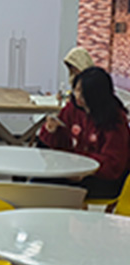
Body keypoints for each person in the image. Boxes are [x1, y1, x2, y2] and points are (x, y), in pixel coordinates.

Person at [38, 66, 130, 199]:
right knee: (39, 183)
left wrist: (82, 166)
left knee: (54, 191)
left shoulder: (114, 119)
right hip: (74, 171)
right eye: (76, 89)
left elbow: (113, 164)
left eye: (82, 92)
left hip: (103, 179)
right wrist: (52, 131)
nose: (77, 95)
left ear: (96, 94)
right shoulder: (72, 109)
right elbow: (60, 146)